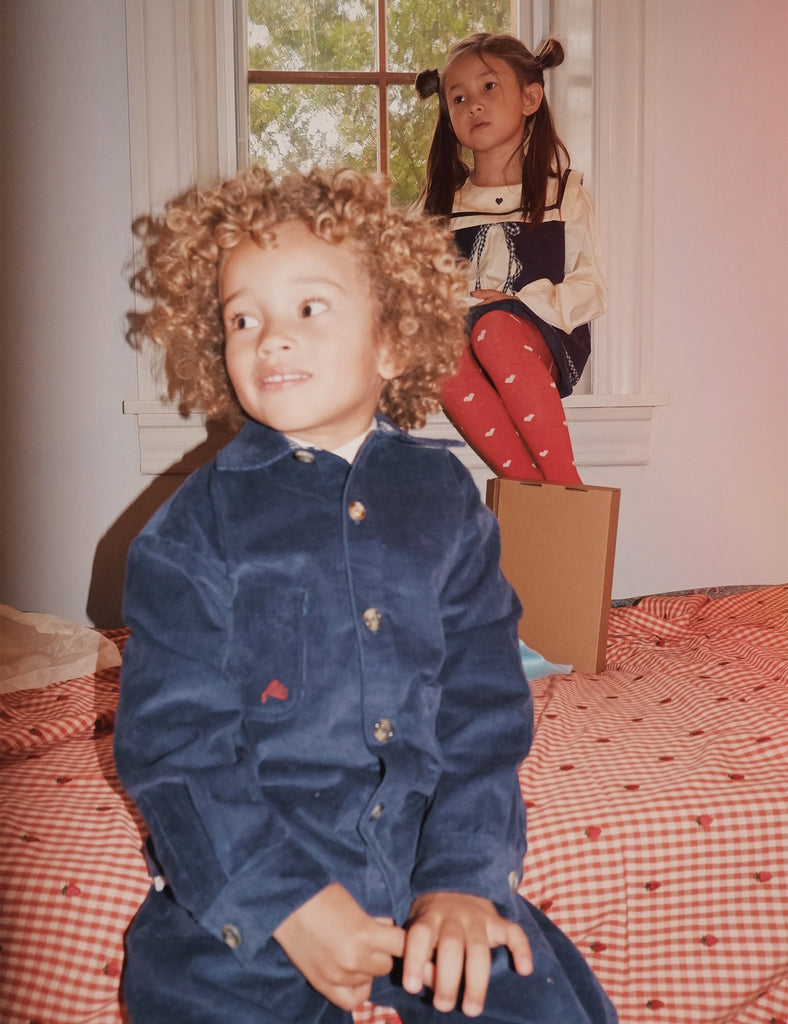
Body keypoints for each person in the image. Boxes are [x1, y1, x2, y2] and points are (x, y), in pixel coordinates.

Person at [114, 165, 617, 1024]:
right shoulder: (190, 530)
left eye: (308, 308)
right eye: (243, 318)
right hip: (258, 879)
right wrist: (287, 905)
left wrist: (463, 883)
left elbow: (482, 711)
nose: (270, 338)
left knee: (542, 998)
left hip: (426, 863)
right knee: (184, 990)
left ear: (391, 339)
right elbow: (173, 745)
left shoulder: (447, 501)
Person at [416, 33, 608, 483]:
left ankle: (564, 482)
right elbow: (412, 288)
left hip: (540, 336)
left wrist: (517, 303)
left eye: (488, 88)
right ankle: (543, 495)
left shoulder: (564, 193)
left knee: (496, 329)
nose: (472, 105)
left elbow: (590, 287)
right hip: (464, 342)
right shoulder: (438, 204)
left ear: (530, 97)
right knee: (438, 349)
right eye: (457, 97)